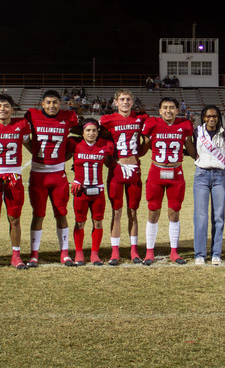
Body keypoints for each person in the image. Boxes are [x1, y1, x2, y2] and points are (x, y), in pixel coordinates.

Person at [25, 90, 80, 265]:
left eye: (55, 102)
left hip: (58, 174)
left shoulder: (67, 116)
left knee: (61, 213)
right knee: (38, 214)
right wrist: (33, 151)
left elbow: (81, 133)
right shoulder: (32, 115)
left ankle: (64, 253)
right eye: (48, 102)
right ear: (42, 104)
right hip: (38, 174)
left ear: (60, 103)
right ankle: (34, 253)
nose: (51, 106)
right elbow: (25, 139)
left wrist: (66, 156)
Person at [0, 94, 33, 268]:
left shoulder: (21, 125)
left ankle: (16, 255)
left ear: (12, 109)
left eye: (6, 106)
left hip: (14, 176)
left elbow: (29, 145)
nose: (2, 109)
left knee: (15, 218)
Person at [142, 97, 196, 264]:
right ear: (159, 111)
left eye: (172, 107)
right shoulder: (152, 124)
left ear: (177, 110)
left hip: (176, 172)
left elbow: (192, 151)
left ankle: (174, 251)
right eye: (165, 107)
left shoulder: (185, 125)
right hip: (156, 171)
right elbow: (143, 149)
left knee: (174, 213)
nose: (168, 110)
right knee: (153, 212)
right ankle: (149, 251)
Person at [100, 89, 148, 264]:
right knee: (117, 211)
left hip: (134, 167)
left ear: (132, 102)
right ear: (115, 102)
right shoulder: (107, 120)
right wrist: (108, 159)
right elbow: (102, 140)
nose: (125, 102)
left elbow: (147, 141)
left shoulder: (140, 119)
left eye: (128, 99)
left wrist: (141, 152)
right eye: (122, 99)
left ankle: (134, 250)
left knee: (133, 211)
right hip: (117, 169)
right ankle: (115, 251)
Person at [67, 119, 116, 265]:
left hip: (98, 192)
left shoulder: (105, 145)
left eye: (94, 130)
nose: (91, 133)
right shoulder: (74, 143)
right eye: (88, 130)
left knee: (98, 222)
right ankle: (79, 253)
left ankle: (95, 254)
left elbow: (109, 140)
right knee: (80, 222)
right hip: (80, 191)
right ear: (82, 132)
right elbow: (69, 131)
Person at [192, 105, 225, 266]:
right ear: (203, 118)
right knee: (201, 216)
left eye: (214, 116)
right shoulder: (197, 132)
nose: (211, 119)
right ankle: (200, 254)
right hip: (201, 175)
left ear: (218, 117)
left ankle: (216, 253)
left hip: (219, 176)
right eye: (208, 116)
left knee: (218, 216)